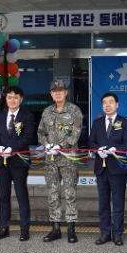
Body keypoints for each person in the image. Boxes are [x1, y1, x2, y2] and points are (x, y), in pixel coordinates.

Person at [38, 79, 83, 243]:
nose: (57, 92)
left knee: (70, 194)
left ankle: (71, 229)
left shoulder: (74, 110)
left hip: (68, 159)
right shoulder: (47, 111)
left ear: (65, 92)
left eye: (60, 90)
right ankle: (55, 228)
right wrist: (46, 144)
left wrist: (60, 146)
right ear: (51, 93)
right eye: (54, 90)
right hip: (50, 161)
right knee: (52, 194)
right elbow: (40, 132)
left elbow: (76, 134)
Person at [0, 86, 35, 242]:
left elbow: (27, 137)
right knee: (3, 196)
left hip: (19, 161)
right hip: (2, 162)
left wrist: (11, 148)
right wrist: (0, 147)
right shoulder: (0, 115)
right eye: (9, 97)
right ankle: (4, 228)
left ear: (21, 99)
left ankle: (24, 229)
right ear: (6, 99)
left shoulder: (27, 116)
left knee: (21, 195)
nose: (12, 100)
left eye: (15, 97)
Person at [89, 92, 127, 246]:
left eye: (111, 102)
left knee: (118, 202)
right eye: (105, 103)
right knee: (103, 202)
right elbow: (91, 142)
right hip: (101, 168)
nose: (107, 105)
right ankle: (105, 232)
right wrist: (98, 149)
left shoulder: (125, 122)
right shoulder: (97, 123)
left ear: (117, 104)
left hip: (118, 168)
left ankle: (117, 234)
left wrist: (115, 149)